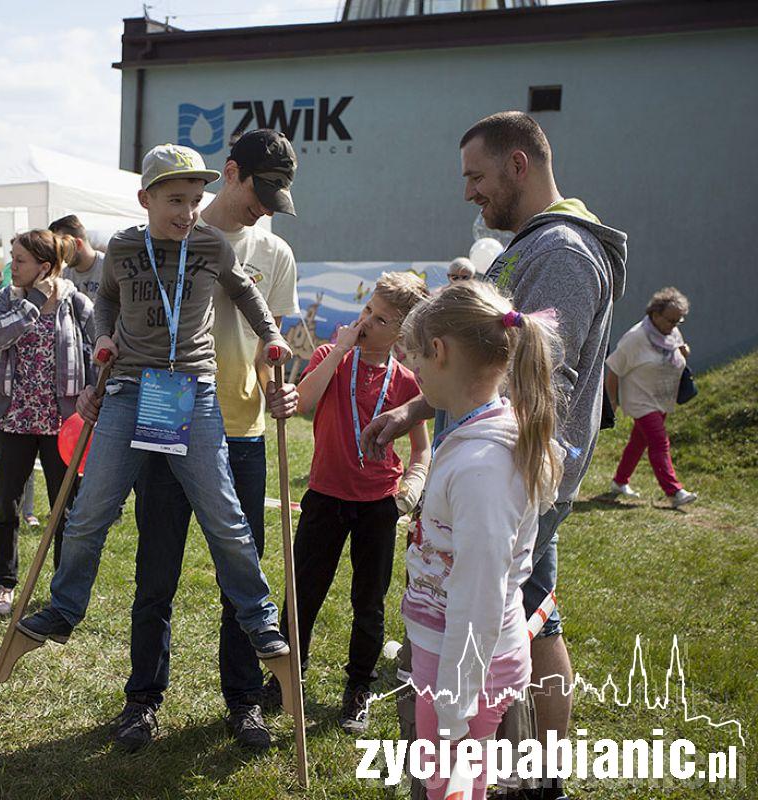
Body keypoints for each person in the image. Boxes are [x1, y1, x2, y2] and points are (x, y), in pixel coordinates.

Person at [363, 112, 626, 800]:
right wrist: (418, 409)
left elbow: (546, 376)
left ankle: (520, 771)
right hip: (502, 465)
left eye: (476, 176)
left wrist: (512, 468)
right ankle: (526, 769)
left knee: (506, 615)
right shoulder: (536, 246)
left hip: (507, 474)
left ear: (519, 165)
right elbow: (486, 364)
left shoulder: (561, 251)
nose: (468, 193)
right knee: (534, 612)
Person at [16, 143, 294, 669]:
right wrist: (103, 337)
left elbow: (246, 294)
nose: (187, 213)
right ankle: (64, 607)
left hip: (195, 391)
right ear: (146, 198)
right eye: (175, 200)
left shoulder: (211, 245)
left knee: (226, 517)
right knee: (89, 510)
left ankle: (259, 618)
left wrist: (272, 335)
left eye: (195, 199)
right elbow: (108, 300)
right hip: (128, 390)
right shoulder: (122, 248)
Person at [105, 129, 301, 752]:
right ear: (232, 172)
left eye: (279, 197)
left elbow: (274, 338)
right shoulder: (165, 236)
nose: (267, 206)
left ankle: (244, 702)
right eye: (261, 191)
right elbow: (117, 305)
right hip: (167, 416)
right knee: (155, 569)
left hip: (240, 428)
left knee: (238, 569)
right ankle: (143, 700)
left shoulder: (275, 253)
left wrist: (283, 387)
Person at [400, 281, 564, 800]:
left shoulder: (483, 466)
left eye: (416, 358)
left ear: (440, 352)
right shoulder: (480, 437)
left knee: (452, 785)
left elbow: (480, 593)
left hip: (465, 672)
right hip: (456, 661)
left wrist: (453, 701)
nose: (414, 372)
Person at [263, 271, 431, 735]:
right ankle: (287, 675)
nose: (366, 323)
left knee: (369, 602)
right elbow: (303, 404)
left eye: (380, 320)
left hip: (378, 503)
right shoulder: (330, 357)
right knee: (302, 593)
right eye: (366, 311)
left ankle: (358, 688)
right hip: (324, 495)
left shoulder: (406, 381)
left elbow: (422, 448)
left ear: (402, 333)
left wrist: (411, 489)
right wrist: (339, 349)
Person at [0, 229, 96, 617]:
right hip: (15, 418)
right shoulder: (7, 298)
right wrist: (32, 302)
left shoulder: (74, 302)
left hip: (61, 423)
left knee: (66, 509)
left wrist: (91, 393)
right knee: (5, 506)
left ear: (44, 266)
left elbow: (101, 347)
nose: (12, 266)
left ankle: (63, 591)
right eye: (13, 258)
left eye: (20, 261)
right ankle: (5, 584)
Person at [606, 287, 696, 508]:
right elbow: (614, 368)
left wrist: (684, 354)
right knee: (658, 441)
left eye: (678, 321)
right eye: (670, 320)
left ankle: (619, 482)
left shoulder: (671, 333)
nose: (674, 326)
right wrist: (612, 401)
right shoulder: (636, 338)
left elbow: (673, 355)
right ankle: (674, 492)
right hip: (640, 400)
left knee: (639, 442)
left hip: (662, 398)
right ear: (655, 314)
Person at [48, 214, 104, 304]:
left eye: (62, 248)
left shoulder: (110, 268)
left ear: (78, 244)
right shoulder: (63, 276)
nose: (58, 254)